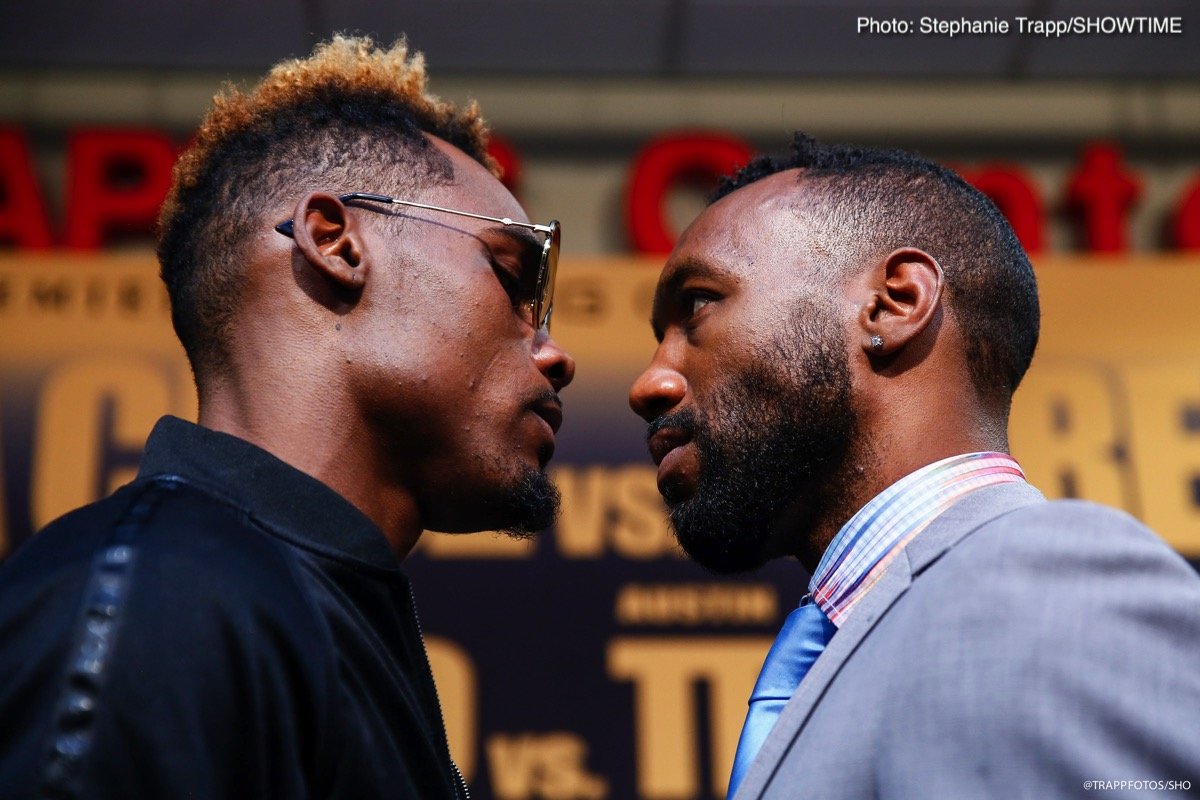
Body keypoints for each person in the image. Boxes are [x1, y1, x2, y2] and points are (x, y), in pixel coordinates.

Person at [0, 35, 573, 799]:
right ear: (336, 244)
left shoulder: (297, 615)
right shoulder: (164, 599)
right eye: (511, 275)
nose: (554, 352)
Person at [629, 132, 1200, 799]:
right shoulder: (859, 647)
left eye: (697, 303)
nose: (650, 384)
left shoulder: (1045, 589)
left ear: (894, 303)